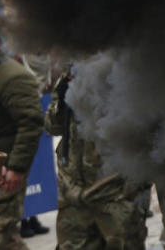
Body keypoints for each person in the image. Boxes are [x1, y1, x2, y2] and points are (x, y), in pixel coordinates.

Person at [45, 68, 150, 250]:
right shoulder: (69, 76)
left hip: (115, 194)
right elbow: (53, 128)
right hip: (74, 193)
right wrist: (61, 101)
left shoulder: (122, 71)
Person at [0, 34, 46, 250]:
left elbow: (31, 124)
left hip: (2, 165)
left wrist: (16, 167)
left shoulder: (12, 76)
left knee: (2, 236)